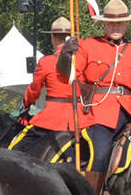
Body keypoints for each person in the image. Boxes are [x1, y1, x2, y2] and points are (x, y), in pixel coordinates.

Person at [60, 0, 131, 188]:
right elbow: (70, 75)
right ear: (104, 23)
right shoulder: (88, 46)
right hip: (99, 114)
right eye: (111, 23)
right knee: (101, 154)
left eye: (120, 23)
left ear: (127, 23)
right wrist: (65, 56)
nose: (116, 27)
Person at [21, 16, 92, 159]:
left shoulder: (46, 62)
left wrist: (26, 103)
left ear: (53, 38)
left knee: (18, 149)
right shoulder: (84, 62)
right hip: (80, 119)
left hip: (51, 119)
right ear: (72, 38)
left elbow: (35, 90)